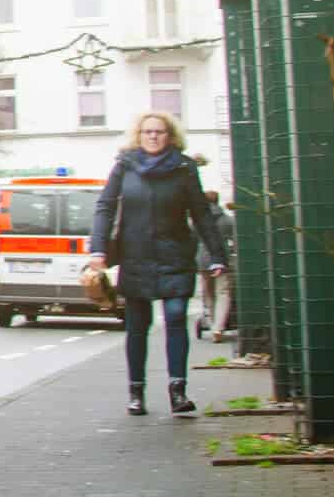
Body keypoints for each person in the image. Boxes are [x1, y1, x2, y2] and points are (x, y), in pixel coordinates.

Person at [86, 112, 229, 417]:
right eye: (148, 132)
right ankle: (136, 392)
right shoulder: (124, 167)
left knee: (176, 317)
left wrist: (217, 254)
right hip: (135, 256)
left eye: (160, 132)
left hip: (175, 255)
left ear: (170, 136)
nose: (153, 137)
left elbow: (201, 214)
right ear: (139, 135)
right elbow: (105, 206)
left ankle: (178, 390)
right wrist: (97, 249)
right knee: (137, 326)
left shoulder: (184, 168)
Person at [193, 190, 237, 343]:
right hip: (222, 259)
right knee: (223, 293)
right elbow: (235, 241)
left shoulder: (197, 221)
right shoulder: (227, 220)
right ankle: (219, 328)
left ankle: (212, 325)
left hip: (202, 260)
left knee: (208, 294)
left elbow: (192, 239)